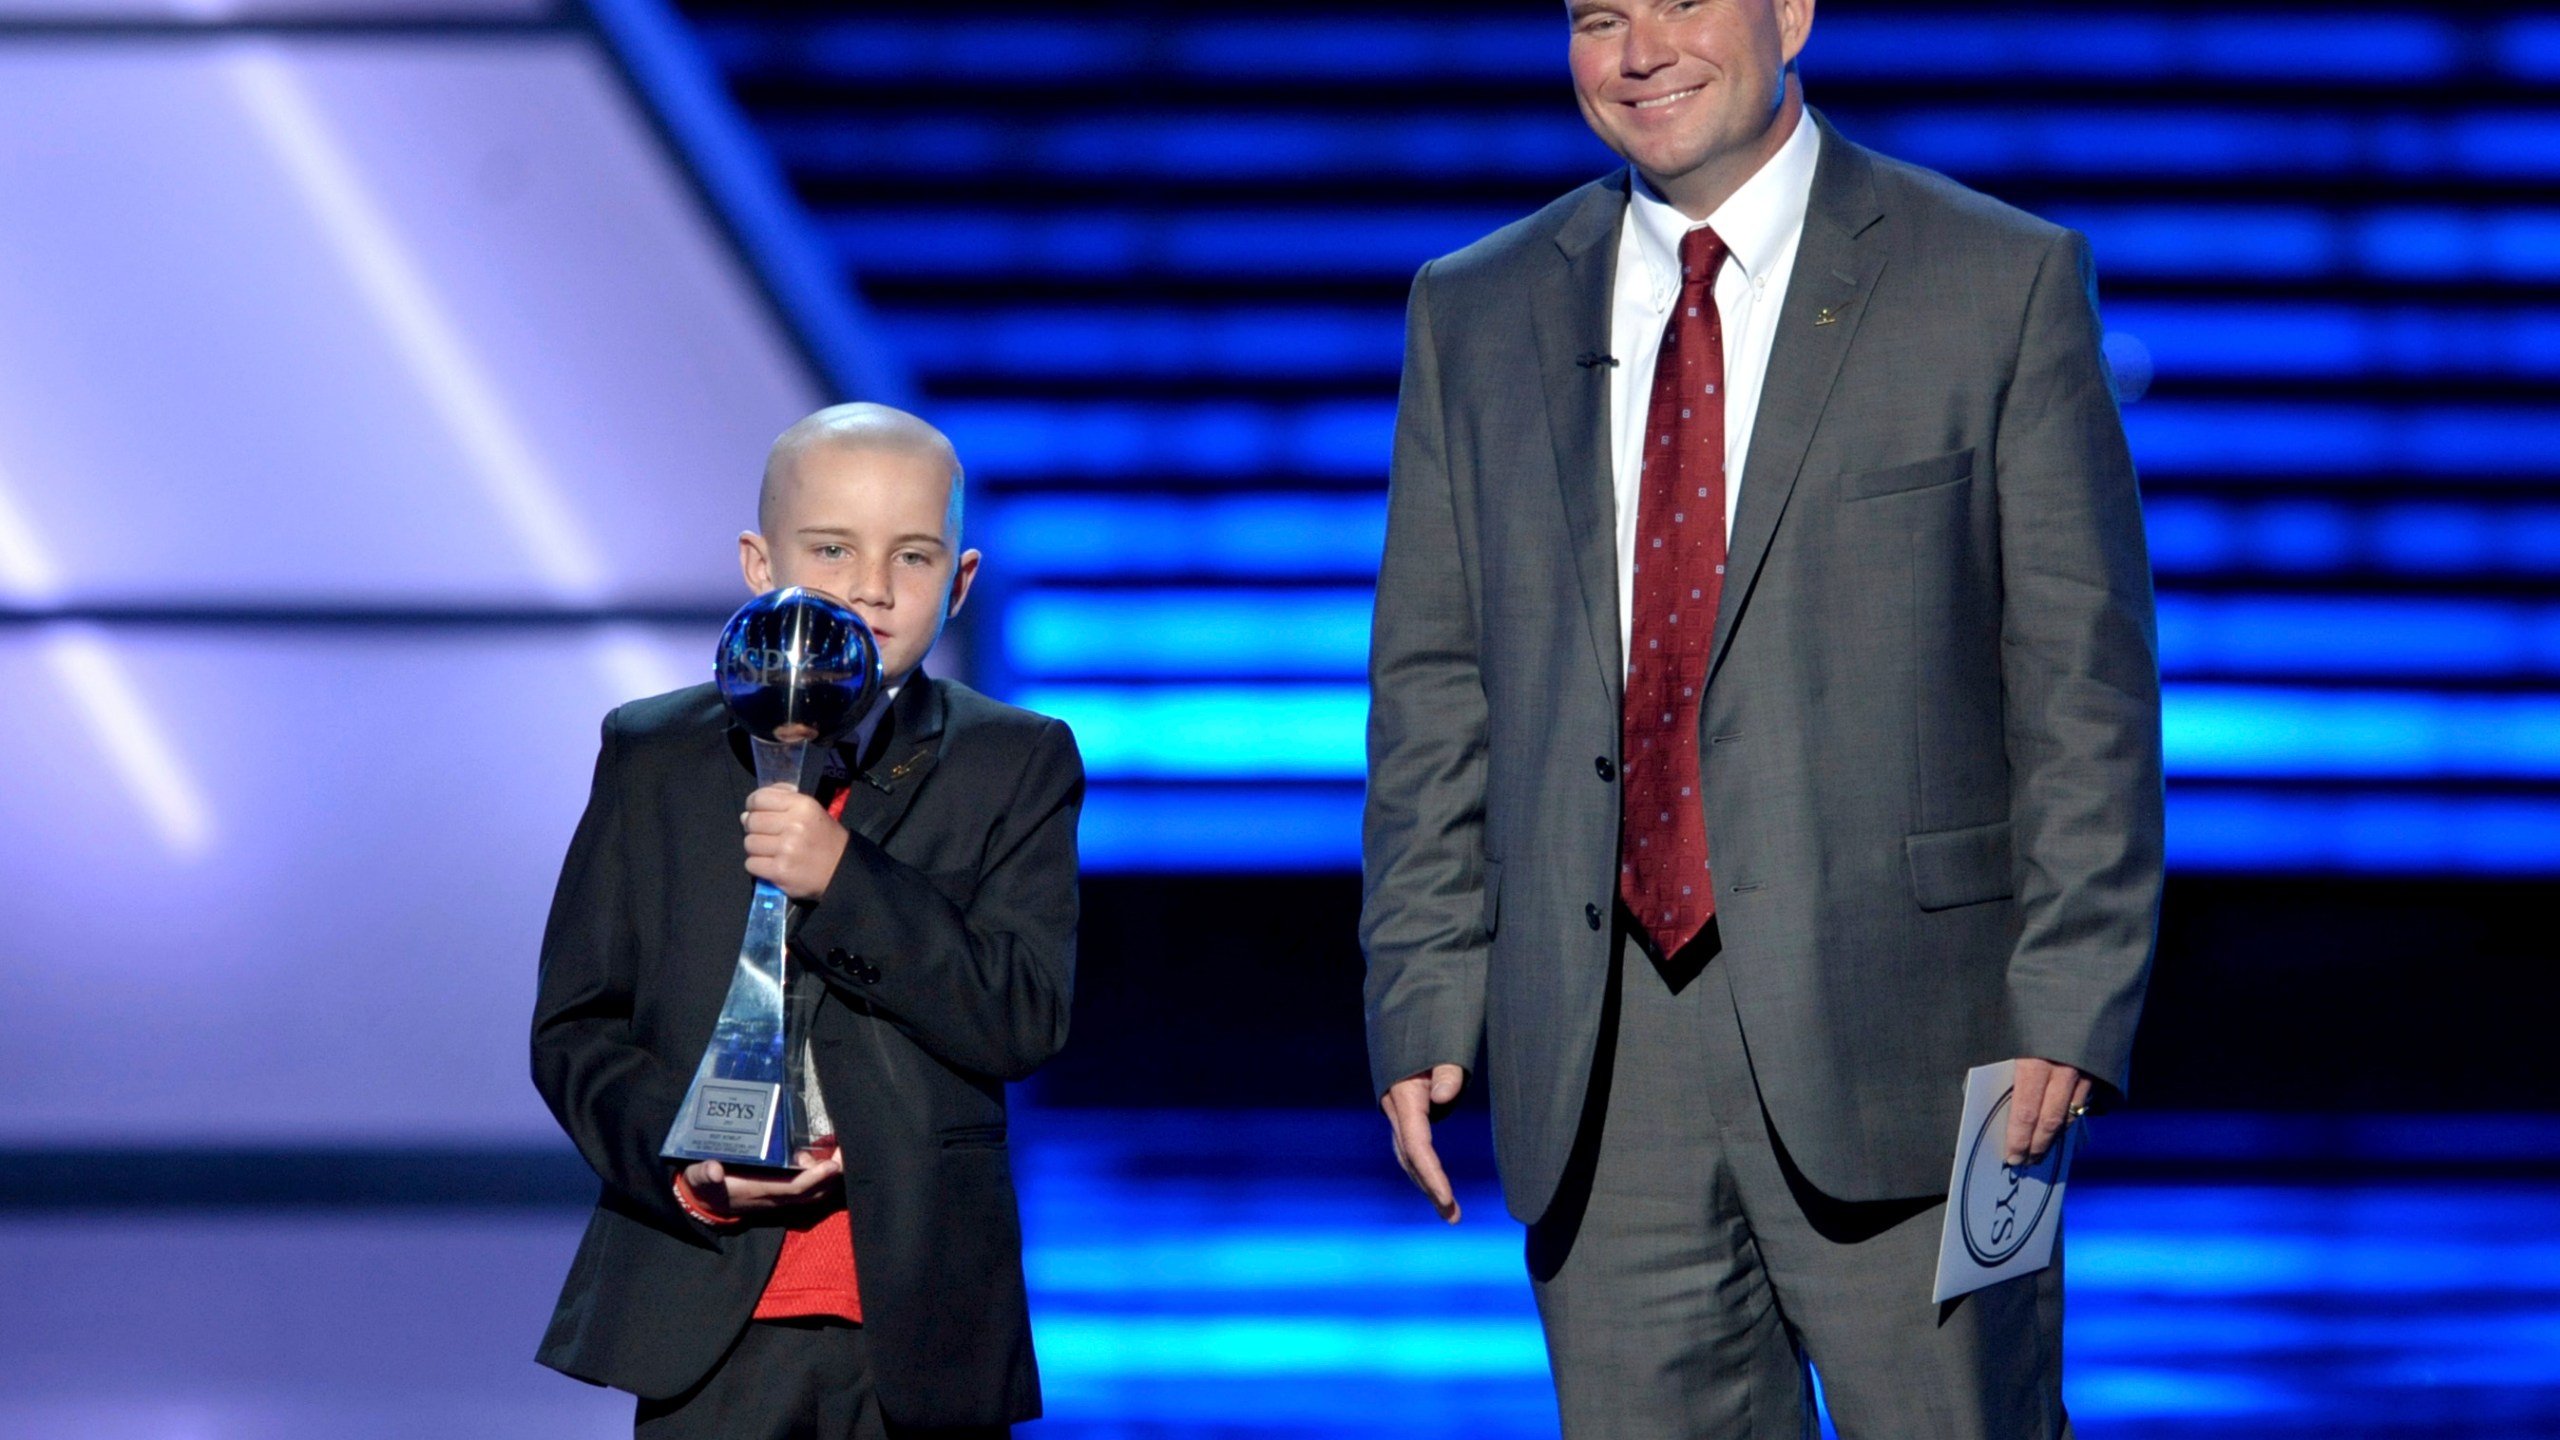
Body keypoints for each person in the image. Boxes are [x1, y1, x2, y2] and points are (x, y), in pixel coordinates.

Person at [1361, 1, 2161, 1435]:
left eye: (1678, 1)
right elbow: (1436, 684)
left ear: (1791, 9)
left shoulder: (1998, 281)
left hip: (1945, 1047)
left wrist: (2072, 1000)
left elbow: (2081, 687)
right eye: (1600, 16)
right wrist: (1424, 983)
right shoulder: (1475, 309)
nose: (1638, 50)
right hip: (1601, 1057)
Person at [531, 403, 1082, 1439]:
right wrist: (682, 1160)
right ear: (758, 561)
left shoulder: (1014, 761)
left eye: (911, 557)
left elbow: (1022, 1015)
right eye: (830, 550)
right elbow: (576, 1026)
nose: (870, 588)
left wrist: (849, 879)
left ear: (959, 584)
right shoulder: (656, 755)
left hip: (915, 1323)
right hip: (707, 1312)